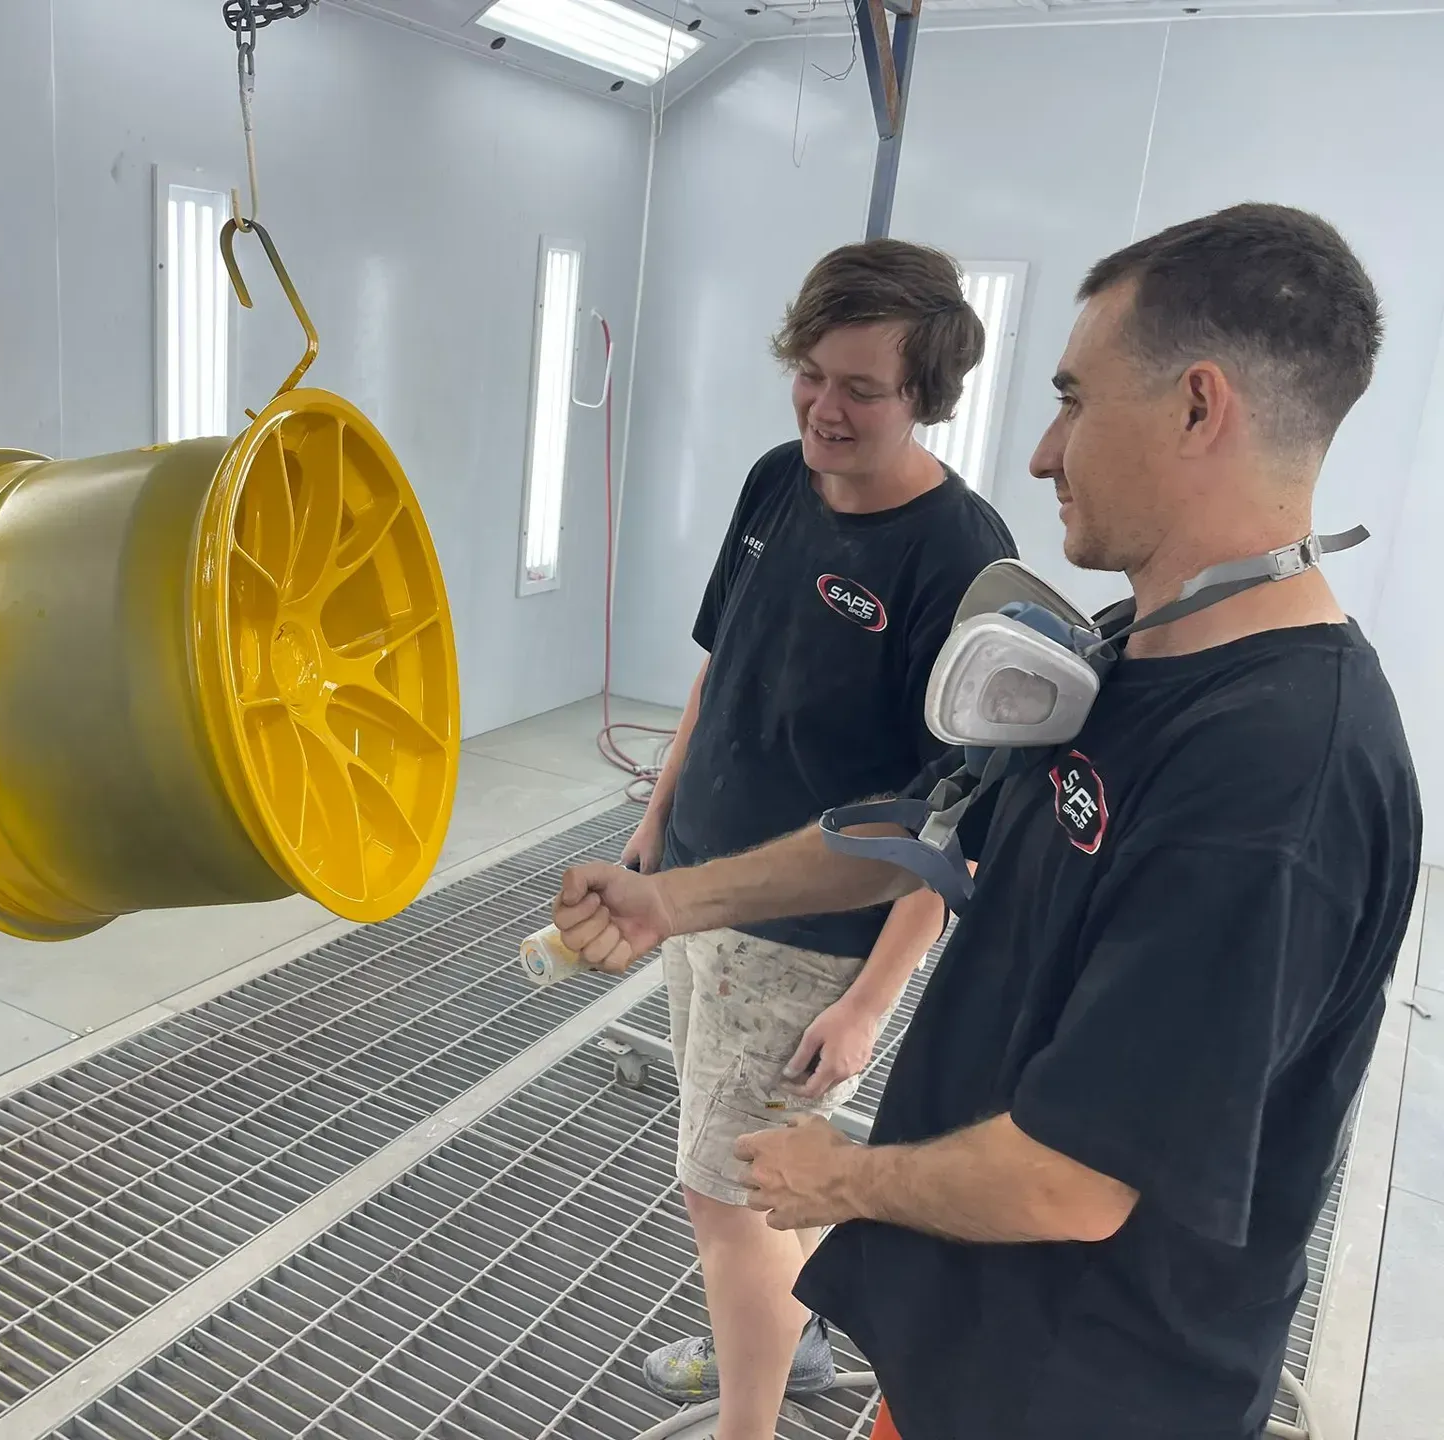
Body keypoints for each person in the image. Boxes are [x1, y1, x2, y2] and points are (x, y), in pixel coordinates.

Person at [557, 203, 1421, 1440]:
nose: (1042, 452)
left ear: (1198, 407)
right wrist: (668, 896)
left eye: (1074, 400)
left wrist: (839, 1179)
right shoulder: (1133, 654)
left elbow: (1075, 1179)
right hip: (966, 1338)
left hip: (1081, 1388)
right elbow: (919, 828)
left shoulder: (1276, 775)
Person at [626, 240, 1015, 1440]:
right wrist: (653, 833)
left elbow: (954, 823)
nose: (825, 409)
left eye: (862, 389)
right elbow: (719, 671)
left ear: (927, 396)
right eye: (811, 374)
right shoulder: (774, 480)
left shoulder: (961, 559)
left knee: (727, 1202)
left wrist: (869, 1002)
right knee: (744, 1187)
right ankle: (782, 1354)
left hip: (809, 944)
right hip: (700, 897)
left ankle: (749, 1423)